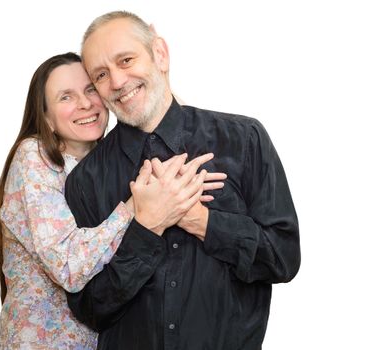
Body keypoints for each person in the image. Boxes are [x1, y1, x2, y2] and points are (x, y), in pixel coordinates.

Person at [65, 11, 301, 350]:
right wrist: (147, 228)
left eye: (126, 60)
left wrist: (201, 220)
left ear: (159, 54)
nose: (117, 81)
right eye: (101, 74)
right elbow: (89, 308)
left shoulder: (243, 140)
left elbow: (284, 258)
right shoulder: (85, 182)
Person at [0, 52, 222, 349]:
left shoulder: (108, 162)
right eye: (66, 97)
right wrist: (137, 206)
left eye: (90, 90)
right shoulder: (35, 156)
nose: (85, 104)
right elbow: (69, 265)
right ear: (46, 117)